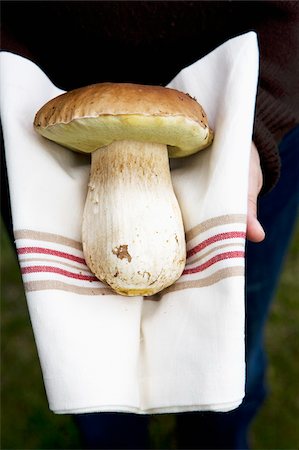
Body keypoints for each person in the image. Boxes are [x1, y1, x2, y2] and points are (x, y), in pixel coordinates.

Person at [1, 1, 298, 448]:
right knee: (86, 359)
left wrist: (254, 129)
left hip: (258, 110)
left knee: (233, 337)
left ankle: (218, 431)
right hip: (35, 120)